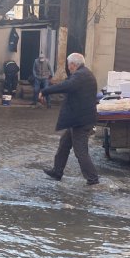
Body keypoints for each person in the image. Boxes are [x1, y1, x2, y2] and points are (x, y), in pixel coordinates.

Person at [39, 53, 100, 186]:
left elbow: (65, 86)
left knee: (80, 151)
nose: (68, 67)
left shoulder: (80, 76)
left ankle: (93, 178)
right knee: (64, 144)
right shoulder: (84, 74)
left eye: (68, 64)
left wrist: (45, 91)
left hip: (81, 121)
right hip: (78, 119)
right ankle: (57, 171)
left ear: (73, 64)